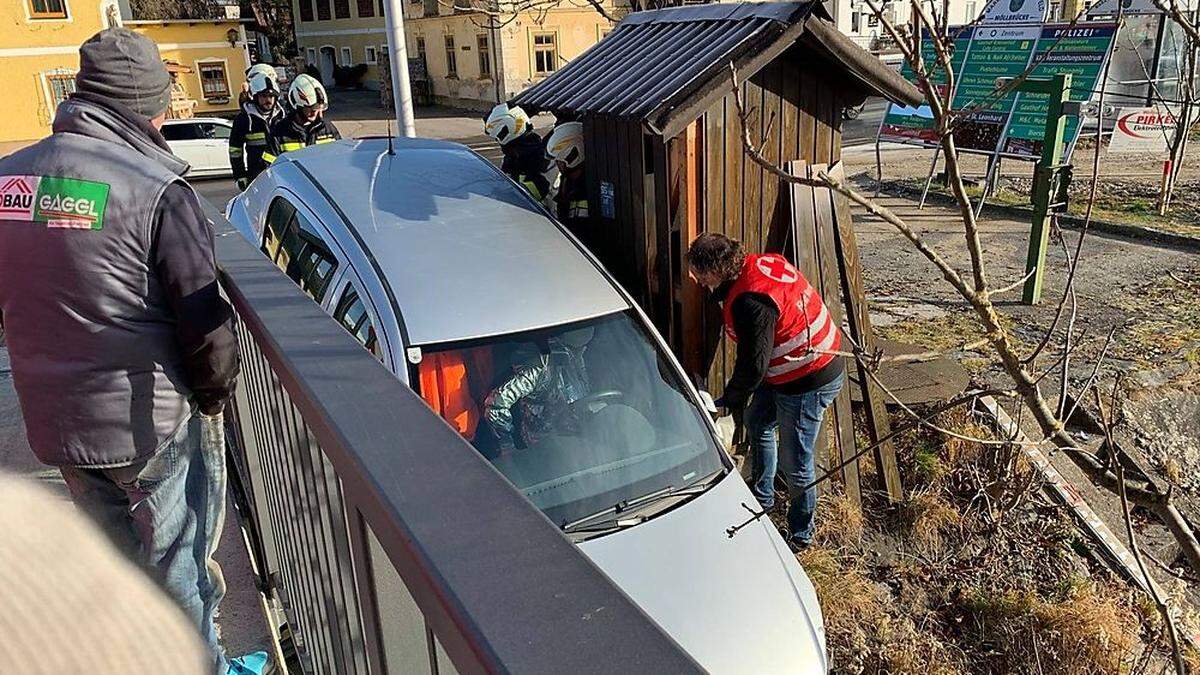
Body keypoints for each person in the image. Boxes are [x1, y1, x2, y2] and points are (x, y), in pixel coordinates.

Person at [0, 28, 264, 674]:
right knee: (181, 571)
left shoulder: (10, 183)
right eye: (162, 101)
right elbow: (207, 329)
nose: (168, 114)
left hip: (58, 425)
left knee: (118, 570)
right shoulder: (157, 191)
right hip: (153, 429)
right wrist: (211, 403)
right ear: (142, 105)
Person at [685, 233, 844, 551]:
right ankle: (762, 500)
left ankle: (801, 535)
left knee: (796, 462)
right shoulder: (759, 265)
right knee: (758, 422)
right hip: (792, 368)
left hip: (807, 380)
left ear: (715, 271)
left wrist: (730, 399)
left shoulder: (750, 302)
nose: (698, 282)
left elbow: (754, 364)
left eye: (700, 276)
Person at [483, 327, 594, 453]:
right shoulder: (537, 370)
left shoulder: (578, 359)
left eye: (584, 347)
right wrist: (507, 446)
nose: (582, 351)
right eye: (576, 348)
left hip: (581, 440)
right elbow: (495, 405)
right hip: (546, 448)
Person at [263, 73, 340, 164]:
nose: (314, 112)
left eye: (318, 108)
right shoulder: (279, 132)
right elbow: (269, 168)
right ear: (297, 106)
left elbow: (341, 159)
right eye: (309, 108)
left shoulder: (329, 130)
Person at [485, 102, 552, 202]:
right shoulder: (515, 155)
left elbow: (537, 191)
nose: (497, 141)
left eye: (498, 137)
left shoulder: (536, 156)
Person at [229, 72, 283, 190]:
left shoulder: (283, 116)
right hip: (257, 174)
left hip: (282, 172)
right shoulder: (243, 120)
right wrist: (240, 175)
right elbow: (235, 150)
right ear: (255, 97)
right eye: (263, 96)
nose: (268, 100)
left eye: (271, 96)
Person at [545, 121, 590, 240]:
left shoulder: (588, 187)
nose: (557, 164)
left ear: (571, 157)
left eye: (559, 160)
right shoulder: (567, 181)